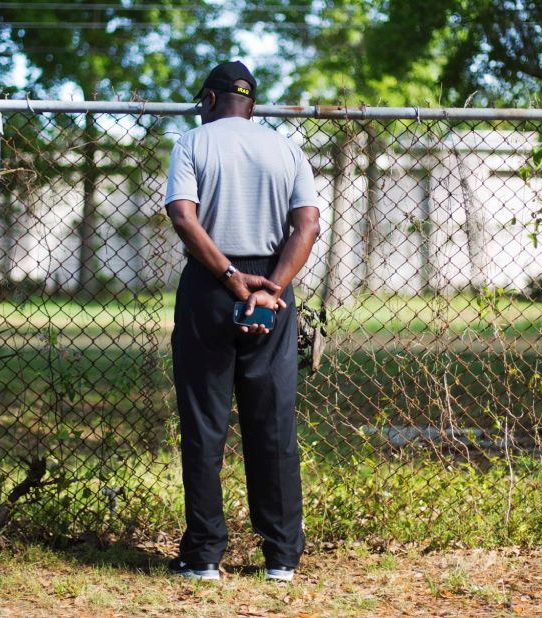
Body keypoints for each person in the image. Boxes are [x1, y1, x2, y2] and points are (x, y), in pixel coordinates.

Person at [163, 60, 321, 582]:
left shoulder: (192, 142)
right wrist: (271, 289)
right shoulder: (287, 148)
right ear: (250, 104)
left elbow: (183, 215)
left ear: (209, 101)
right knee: (272, 424)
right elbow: (308, 225)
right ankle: (281, 559)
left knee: (205, 424)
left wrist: (232, 278)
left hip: (212, 283)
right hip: (273, 286)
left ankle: (204, 555)